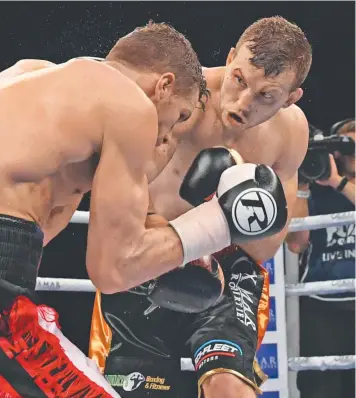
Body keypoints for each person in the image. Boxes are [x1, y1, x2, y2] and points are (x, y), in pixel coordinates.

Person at [0, 22, 288, 397]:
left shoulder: (34, 82)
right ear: (163, 86)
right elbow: (112, 270)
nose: (166, 138)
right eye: (181, 117)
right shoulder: (131, 107)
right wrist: (218, 222)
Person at [89, 16, 312, 398]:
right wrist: (173, 235)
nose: (244, 102)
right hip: (148, 251)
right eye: (239, 79)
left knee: (229, 388)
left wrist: (229, 212)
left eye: (266, 96)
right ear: (229, 59)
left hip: (229, 268)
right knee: (129, 390)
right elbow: (119, 185)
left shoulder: (290, 133)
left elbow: (265, 247)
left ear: (290, 98)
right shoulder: (181, 101)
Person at [286, 119, 355, 398]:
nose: (350, 153)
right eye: (346, 147)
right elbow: (296, 244)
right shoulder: (316, 190)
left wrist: (340, 183)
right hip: (321, 305)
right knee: (321, 390)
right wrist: (302, 184)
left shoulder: (337, 185)